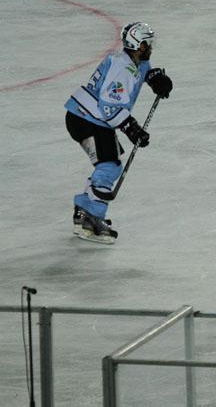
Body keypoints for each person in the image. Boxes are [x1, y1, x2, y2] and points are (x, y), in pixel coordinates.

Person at [65, 22, 173, 244]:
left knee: (108, 165)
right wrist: (132, 129)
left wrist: (154, 78)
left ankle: (84, 210)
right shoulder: (121, 69)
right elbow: (109, 108)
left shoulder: (131, 60)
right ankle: (91, 218)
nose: (150, 47)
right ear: (138, 45)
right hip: (88, 119)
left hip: (88, 117)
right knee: (109, 167)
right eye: (147, 44)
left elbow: (142, 70)